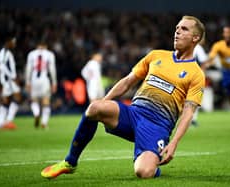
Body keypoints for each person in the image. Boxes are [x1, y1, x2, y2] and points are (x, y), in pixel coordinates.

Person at [41, 15, 205, 179]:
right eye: (177, 28)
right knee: (94, 108)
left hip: (157, 126)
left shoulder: (196, 74)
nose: (177, 32)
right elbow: (127, 82)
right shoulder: (157, 56)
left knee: (143, 172)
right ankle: (70, 162)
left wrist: (174, 143)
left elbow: (189, 112)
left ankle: (152, 159)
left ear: (195, 38)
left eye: (184, 29)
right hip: (133, 114)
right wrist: (103, 103)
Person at [25, 41, 57, 129]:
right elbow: (52, 69)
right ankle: (44, 122)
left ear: (37, 45)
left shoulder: (31, 54)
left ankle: (36, 113)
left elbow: (28, 68)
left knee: (34, 100)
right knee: (46, 101)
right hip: (44, 79)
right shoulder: (49, 54)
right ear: (45, 46)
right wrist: (54, 83)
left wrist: (27, 82)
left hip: (34, 79)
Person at [0, 36, 21, 130]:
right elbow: (2, 66)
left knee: (9, 100)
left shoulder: (8, 52)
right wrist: (12, 77)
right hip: (8, 80)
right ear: (8, 42)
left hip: (9, 80)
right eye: (13, 42)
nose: (14, 44)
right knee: (10, 99)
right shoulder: (4, 52)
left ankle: (4, 122)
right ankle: (5, 122)